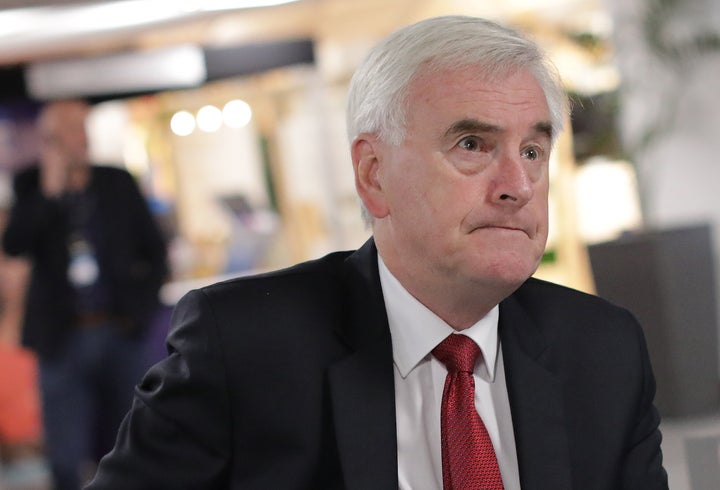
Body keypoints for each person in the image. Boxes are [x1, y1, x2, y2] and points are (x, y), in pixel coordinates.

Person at [86, 15, 668, 490]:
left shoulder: (602, 349)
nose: (516, 183)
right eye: (472, 144)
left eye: (534, 150)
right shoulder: (244, 345)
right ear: (373, 174)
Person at [1, 99, 169, 490]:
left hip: (119, 331)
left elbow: (155, 250)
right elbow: (14, 244)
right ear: (50, 140)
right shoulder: (31, 184)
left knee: (131, 441)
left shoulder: (116, 182)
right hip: (62, 339)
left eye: (84, 129)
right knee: (65, 453)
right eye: (71, 132)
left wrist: (139, 312)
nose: (82, 140)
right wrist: (49, 191)